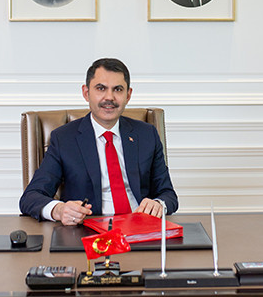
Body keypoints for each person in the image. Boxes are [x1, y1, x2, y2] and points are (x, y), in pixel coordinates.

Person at [19, 58, 179, 225]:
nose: (109, 97)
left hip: (140, 229)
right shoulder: (64, 139)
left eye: (118, 89)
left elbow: (168, 195)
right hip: (88, 231)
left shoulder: (147, 134)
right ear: (86, 92)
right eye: (101, 88)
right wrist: (59, 210)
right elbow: (30, 197)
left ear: (128, 95)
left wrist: (158, 204)